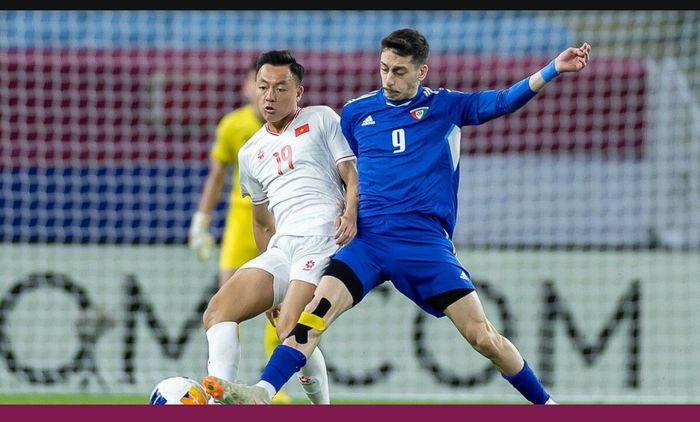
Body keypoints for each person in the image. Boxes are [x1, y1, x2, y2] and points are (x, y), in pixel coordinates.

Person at [204, 28, 591, 405]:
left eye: (399, 71)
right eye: (384, 68)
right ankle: (262, 393)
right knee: (311, 319)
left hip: (423, 243)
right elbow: (341, 173)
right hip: (366, 242)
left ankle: (547, 405)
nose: (389, 78)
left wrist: (553, 68)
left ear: (421, 72)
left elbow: (502, 101)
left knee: (483, 337)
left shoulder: (446, 106)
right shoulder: (355, 113)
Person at [199, 49, 359, 405]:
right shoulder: (250, 151)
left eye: (281, 88)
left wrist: (350, 214)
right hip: (281, 248)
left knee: (291, 328)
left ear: (298, 92)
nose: (270, 96)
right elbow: (261, 220)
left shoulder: (321, 119)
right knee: (217, 311)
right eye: (264, 87)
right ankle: (219, 402)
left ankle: (322, 408)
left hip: (321, 239)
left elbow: (351, 172)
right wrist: (271, 278)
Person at [187, 61, 295, 404]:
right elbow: (216, 175)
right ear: (247, 87)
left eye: (273, 85)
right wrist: (201, 220)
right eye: (258, 84)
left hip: (279, 226)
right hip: (239, 228)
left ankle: (273, 389)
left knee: (280, 310)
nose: (264, 91)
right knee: (227, 307)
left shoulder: (295, 126)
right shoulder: (233, 126)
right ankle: (222, 387)